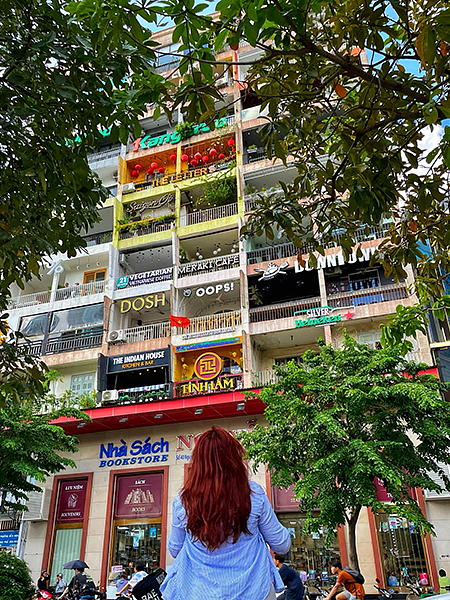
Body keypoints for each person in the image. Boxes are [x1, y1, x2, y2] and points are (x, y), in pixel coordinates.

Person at [160, 425, 291, 600]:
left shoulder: (183, 502)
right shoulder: (254, 495)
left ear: (198, 464)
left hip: (199, 593)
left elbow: (175, 550)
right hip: (253, 592)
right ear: (233, 460)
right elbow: (281, 544)